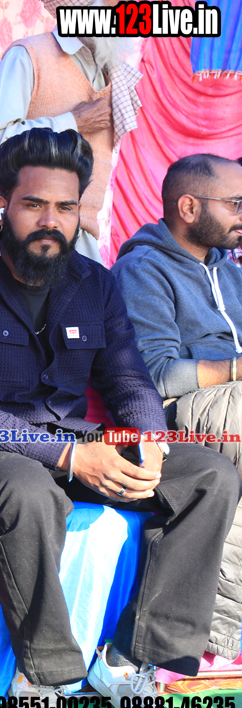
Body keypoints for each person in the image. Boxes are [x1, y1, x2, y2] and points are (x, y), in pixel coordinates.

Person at [0, 128, 240, 708]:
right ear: (3, 206)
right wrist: (69, 456)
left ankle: (132, 658)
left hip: (77, 441)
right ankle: (45, 676)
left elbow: (129, 379)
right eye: (35, 204)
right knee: (28, 491)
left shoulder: (96, 284)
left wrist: (149, 440)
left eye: (66, 207)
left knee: (210, 474)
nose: (51, 221)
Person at [112, 153, 242, 661]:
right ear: (189, 207)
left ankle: (221, 632)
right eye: (235, 204)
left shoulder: (229, 272)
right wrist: (235, 369)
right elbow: (154, 375)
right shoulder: (143, 269)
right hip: (172, 415)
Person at [0, 0, 142, 264]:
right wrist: (72, 122)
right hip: (14, 238)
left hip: (80, 243)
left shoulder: (115, 75)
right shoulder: (29, 56)